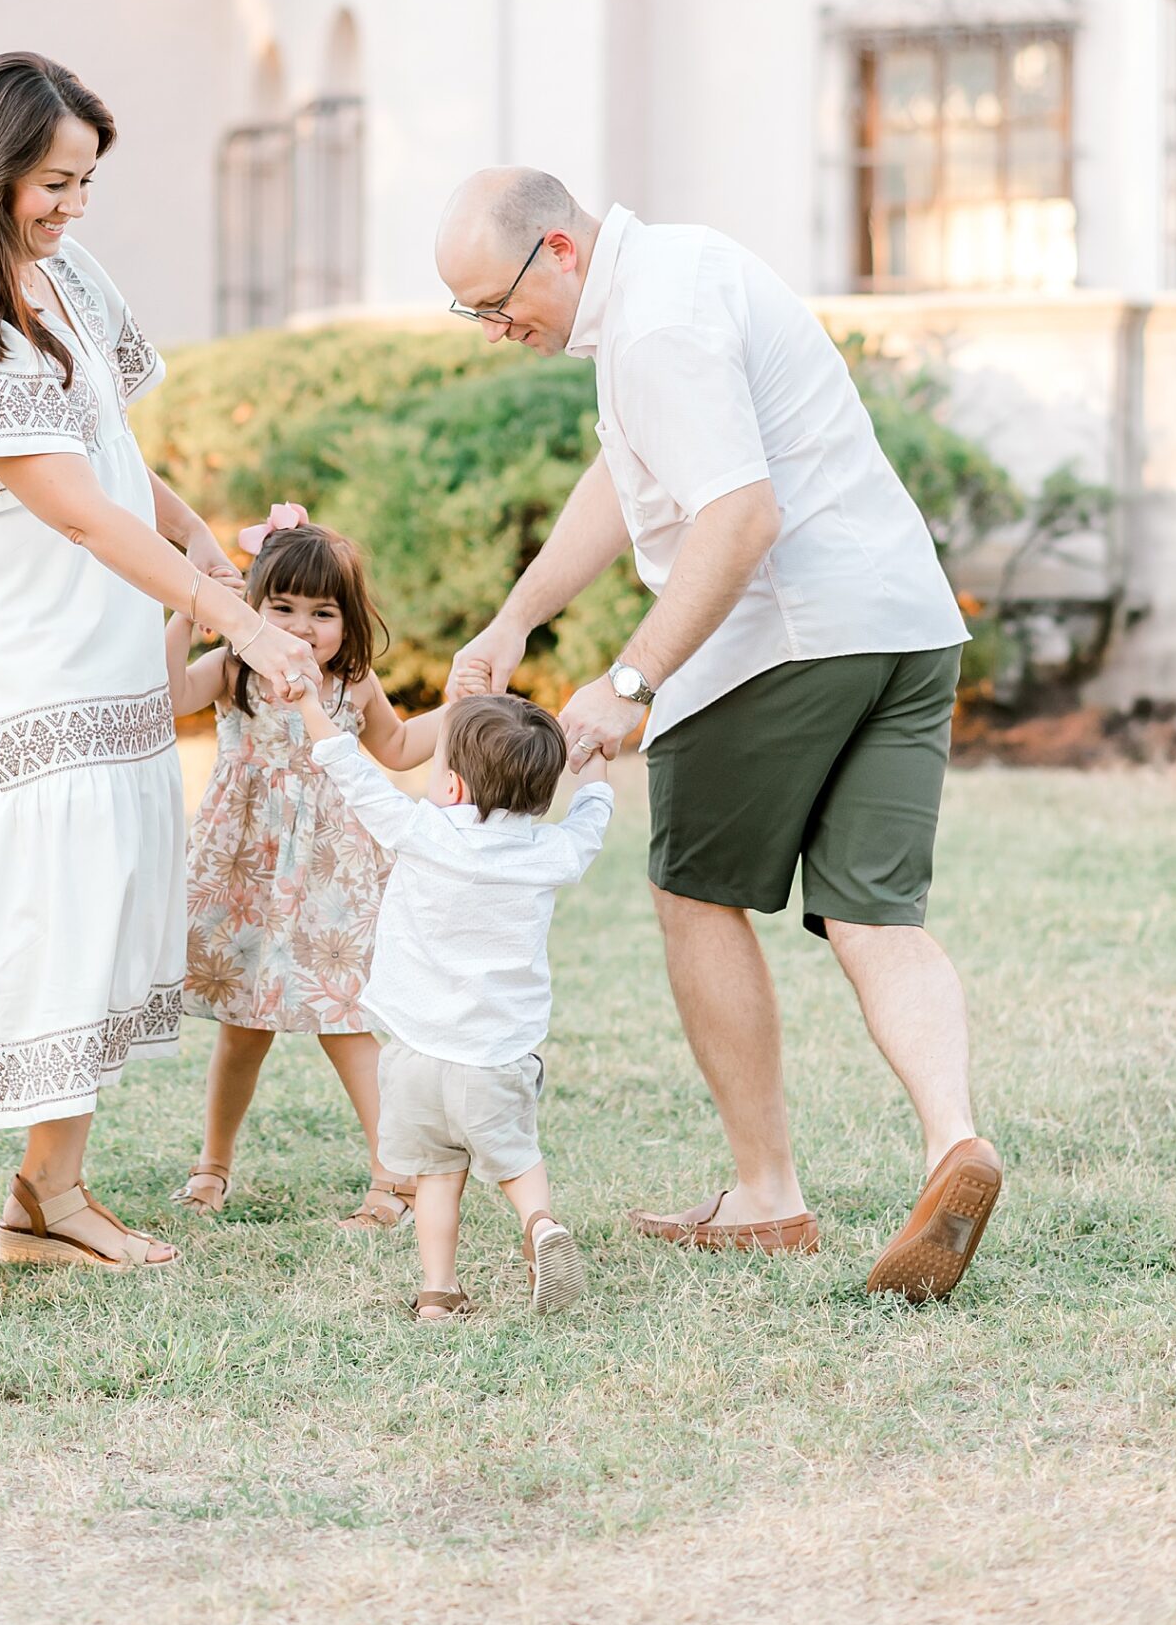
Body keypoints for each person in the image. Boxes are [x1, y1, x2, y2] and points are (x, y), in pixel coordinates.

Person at [438, 168, 1003, 1304]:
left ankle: (764, 1194)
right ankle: (954, 1143)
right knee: (869, 911)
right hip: (900, 622)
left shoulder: (650, 326)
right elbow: (629, 470)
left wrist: (629, 680)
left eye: (498, 303)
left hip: (780, 636)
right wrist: (516, 615)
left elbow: (739, 514)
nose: (498, 331)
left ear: (555, 247)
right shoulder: (675, 272)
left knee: (693, 888)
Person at [0, 52, 316, 1296]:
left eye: (84, 181)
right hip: (15, 665)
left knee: (103, 899)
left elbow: (104, 444)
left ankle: (49, 1191)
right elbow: (67, 508)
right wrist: (232, 614)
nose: (71, 203)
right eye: (52, 181)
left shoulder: (70, 280)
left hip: (105, 653)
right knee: (21, 909)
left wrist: (198, 533)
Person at [294, 685, 612, 1320]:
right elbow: (593, 819)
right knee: (516, 1160)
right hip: (494, 1059)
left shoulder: (421, 831)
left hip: (414, 1058)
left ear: (453, 788)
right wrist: (597, 759)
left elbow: (349, 768)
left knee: (437, 1177)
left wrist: (306, 698)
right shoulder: (547, 851)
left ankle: (438, 1291)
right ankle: (540, 1224)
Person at [166, 507, 445, 1227]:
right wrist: (181, 612)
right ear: (251, 610)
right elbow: (168, 699)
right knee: (242, 1025)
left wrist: (464, 704)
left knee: (343, 1015)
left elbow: (402, 747)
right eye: (280, 607)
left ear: (348, 622)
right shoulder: (233, 669)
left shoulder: (352, 685)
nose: (299, 626)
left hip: (330, 865)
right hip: (248, 865)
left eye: (321, 612)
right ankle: (212, 1166)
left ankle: (395, 1180)